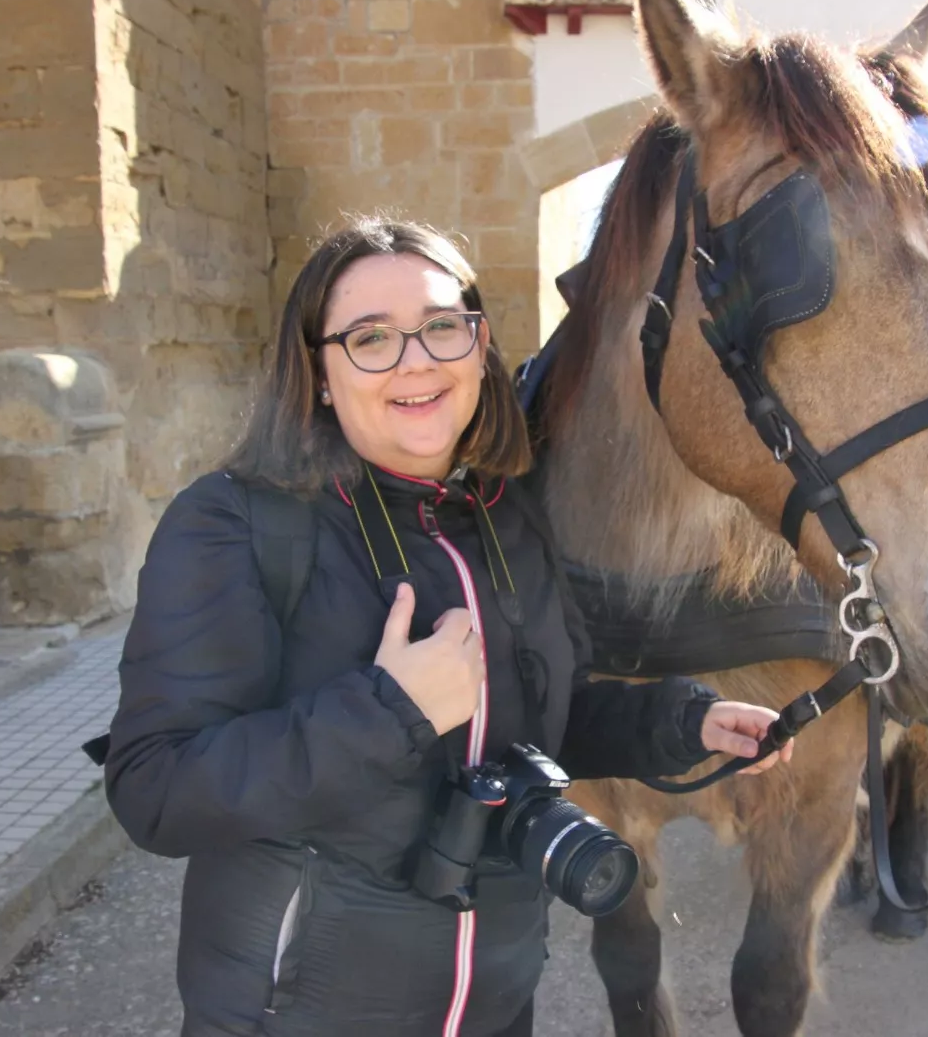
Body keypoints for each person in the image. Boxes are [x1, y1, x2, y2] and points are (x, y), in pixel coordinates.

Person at [100, 217, 794, 1037]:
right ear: (319, 372)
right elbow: (156, 790)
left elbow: (550, 719)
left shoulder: (505, 518)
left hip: (495, 1005)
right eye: (370, 338)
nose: (416, 359)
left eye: (440, 326)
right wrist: (389, 713)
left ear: (479, 345)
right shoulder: (235, 526)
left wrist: (683, 721)